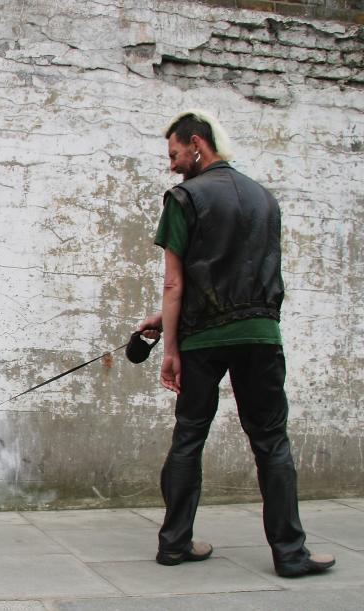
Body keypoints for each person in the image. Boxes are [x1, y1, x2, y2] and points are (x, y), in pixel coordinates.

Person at [135, 110, 335, 577]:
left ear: (197, 143)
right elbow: (240, 273)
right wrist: (161, 322)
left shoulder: (184, 198)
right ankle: (290, 554)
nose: (172, 164)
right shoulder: (265, 199)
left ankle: (174, 544)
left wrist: (170, 350)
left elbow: (175, 285)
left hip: (203, 340)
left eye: (175, 153)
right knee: (271, 442)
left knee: (190, 436)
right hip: (261, 335)